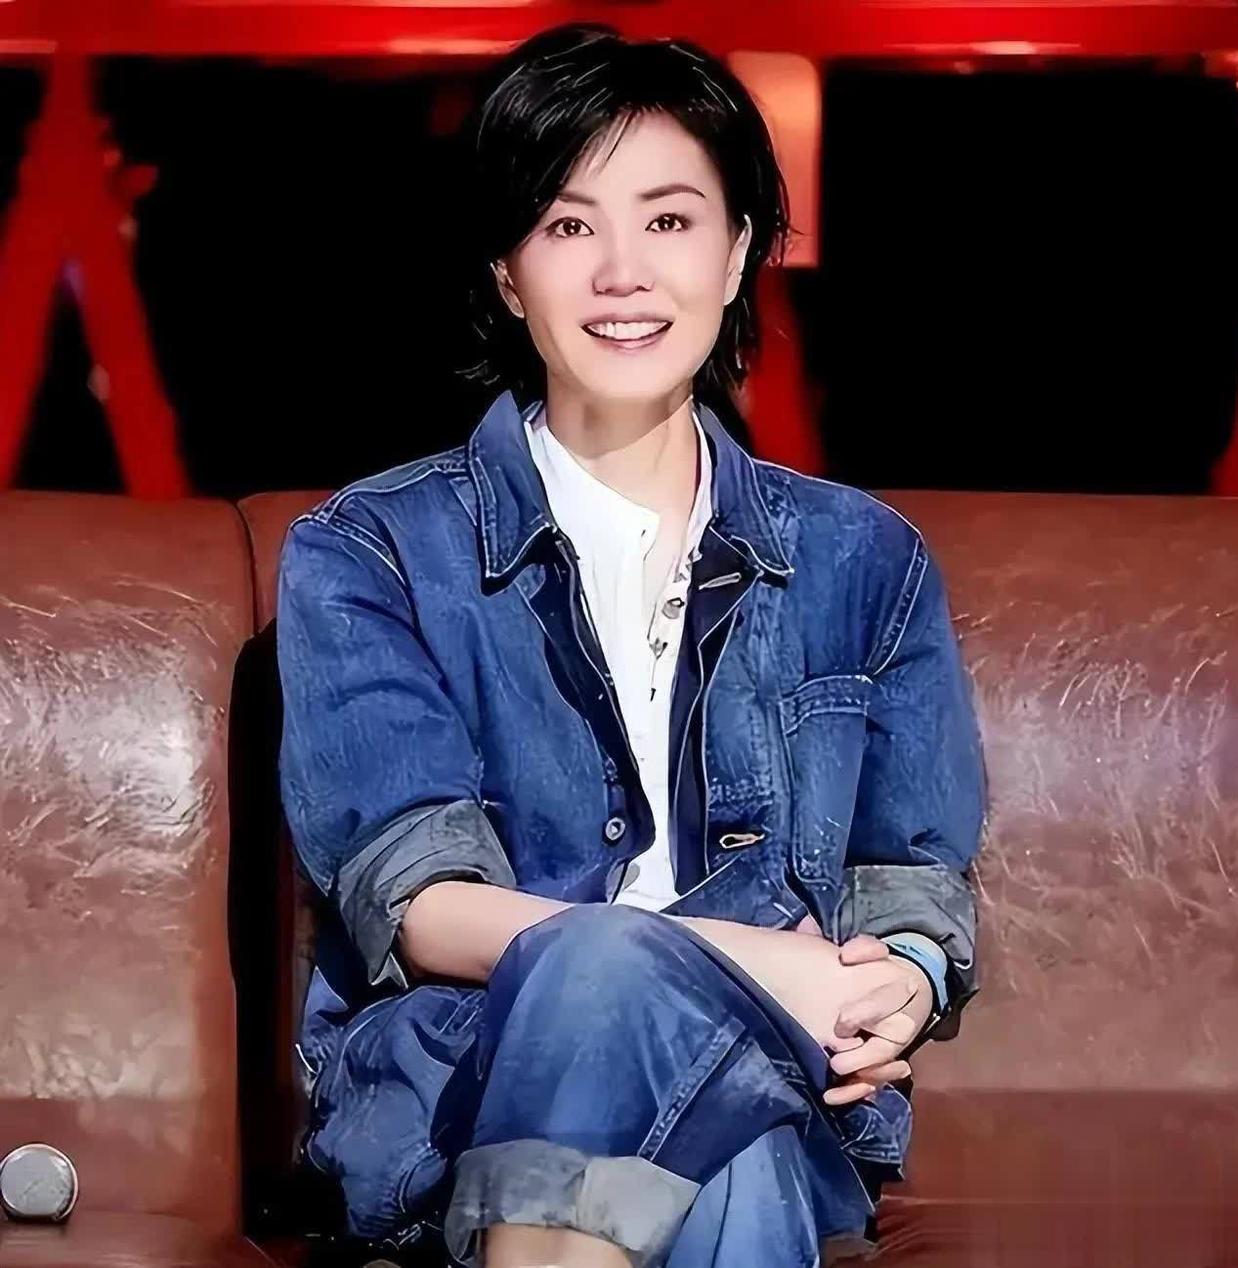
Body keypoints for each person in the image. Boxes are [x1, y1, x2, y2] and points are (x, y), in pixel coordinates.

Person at [276, 22, 986, 1268]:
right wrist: (739, 958)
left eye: (667, 220)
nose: (621, 272)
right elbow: (421, 902)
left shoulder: (864, 560)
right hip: (467, 1087)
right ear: (508, 273)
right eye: (566, 225)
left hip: (779, 1069)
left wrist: (907, 977)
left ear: (737, 250)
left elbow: (911, 884)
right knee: (678, 1079)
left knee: (742, 1114)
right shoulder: (371, 550)